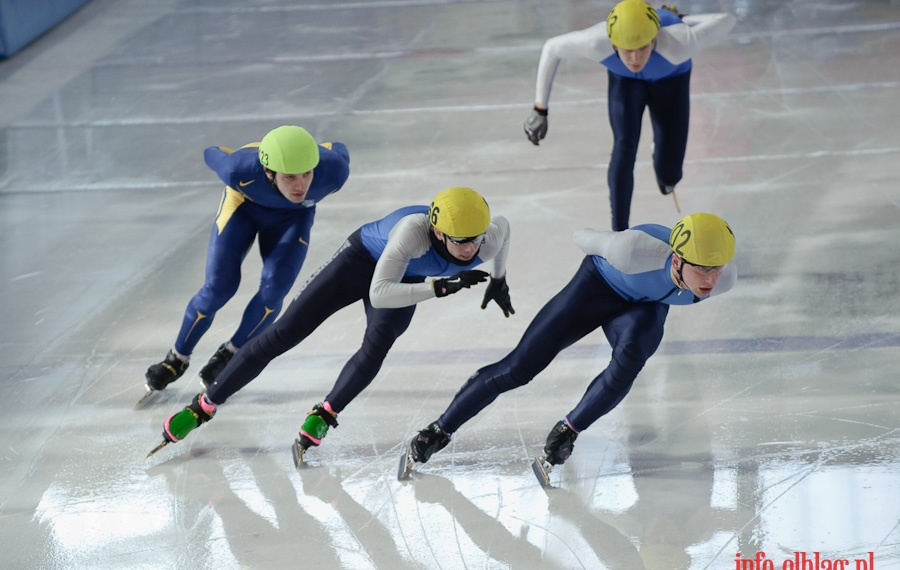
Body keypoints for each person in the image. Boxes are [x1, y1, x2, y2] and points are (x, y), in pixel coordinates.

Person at [146, 187, 515, 462]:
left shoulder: (487, 238)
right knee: (284, 332)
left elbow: (505, 230)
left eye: (475, 240)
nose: (469, 249)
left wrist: (498, 280)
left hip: (405, 276)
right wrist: (435, 287)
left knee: (376, 347)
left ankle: (326, 412)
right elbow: (381, 292)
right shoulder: (412, 233)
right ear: (437, 232)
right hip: (363, 262)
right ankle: (204, 406)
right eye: (460, 241)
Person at [400, 212, 736, 486]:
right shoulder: (631, 250)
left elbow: (707, 276)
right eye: (703, 269)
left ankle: (568, 430)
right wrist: (611, 241)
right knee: (521, 367)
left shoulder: (724, 279)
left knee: (632, 357)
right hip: (598, 286)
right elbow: (582, 234)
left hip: (644, 306)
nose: (711, 279)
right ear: (676, 260)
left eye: (717, 268)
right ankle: (439, 430)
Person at [143, 126, 351, 395]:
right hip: (243, 207)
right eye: (289, 177)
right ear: (268, 171)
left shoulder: (334, 172)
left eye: (307, 173)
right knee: (219, 287)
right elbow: (213, 153)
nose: (300, 185)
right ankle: (176, 358)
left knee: (274, 290)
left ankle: (232, 352)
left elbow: (338, 147)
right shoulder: (237, 169)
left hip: (293, 218)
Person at [523, 0, 736, 231]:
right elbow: (552, 48)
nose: (635, 59)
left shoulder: (679, 42)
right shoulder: (596, 41)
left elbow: (727, 20)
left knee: (669, 178)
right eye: (627, 50)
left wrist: (683, 19)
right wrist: (540, 109)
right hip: (625, 83)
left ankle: (665, 167)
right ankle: (619, 231)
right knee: (624, 145)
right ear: (613, 44)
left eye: (643, 47)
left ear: (654, 38)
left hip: (671, 83)